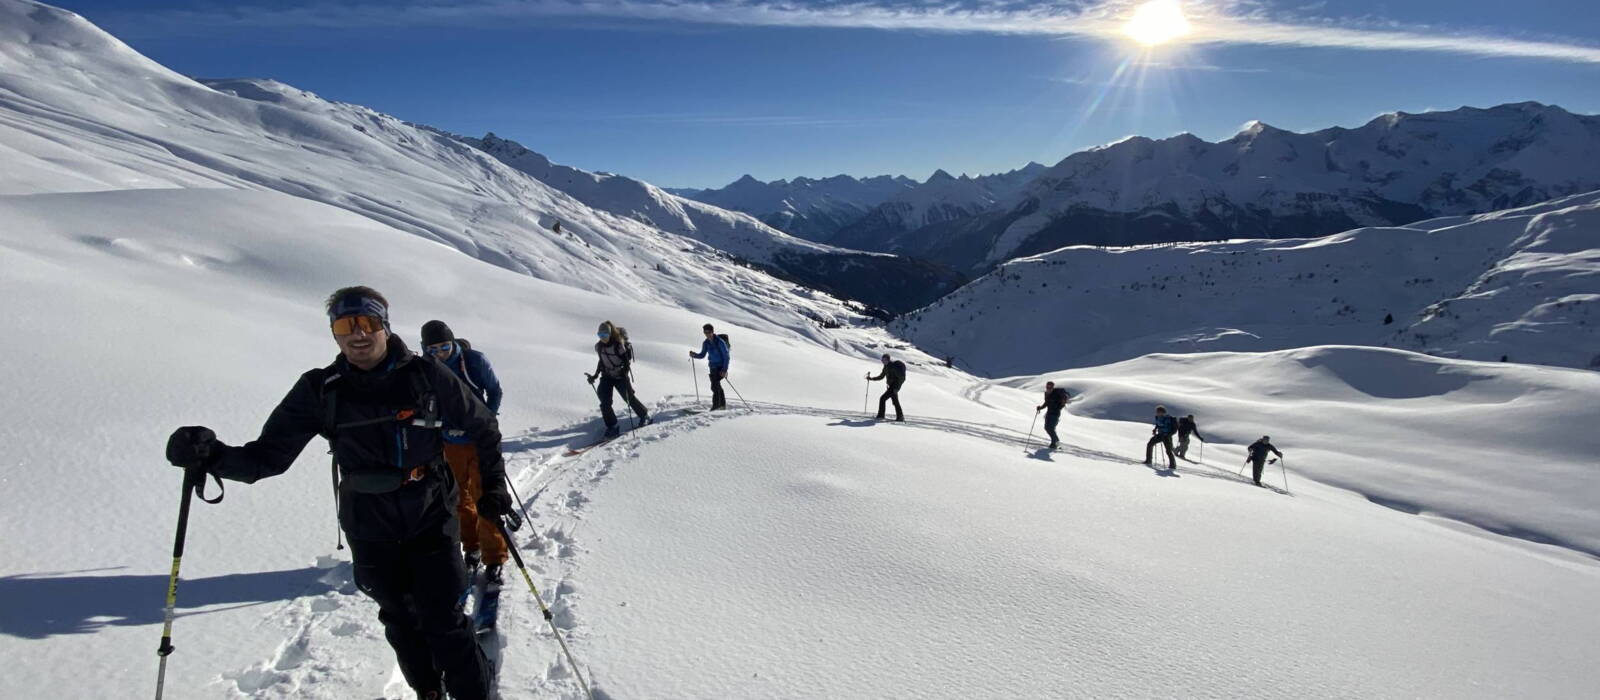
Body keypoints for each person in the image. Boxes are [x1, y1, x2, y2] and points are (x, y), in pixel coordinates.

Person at [164, 287, 507, 700]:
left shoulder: (426, 375)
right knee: (399, 619)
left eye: (368, 323)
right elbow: (267, 458)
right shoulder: (320, 389)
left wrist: (493, 488)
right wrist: (211, 456)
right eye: (346, 326)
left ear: (385, 325)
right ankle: (428, 692)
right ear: (334, 333)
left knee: (443, 618)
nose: (358, 335)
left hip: (430, 513)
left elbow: (483, 425)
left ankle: (474, 691)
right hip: (369, 525)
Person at [421, 320, 506, 583]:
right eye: (433, 349)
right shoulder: (425, 369)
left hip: (479, 440)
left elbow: (494, 390)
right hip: (448, 443)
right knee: (458, 499)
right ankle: (471, 548)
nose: (440, 353)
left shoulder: (473, 361)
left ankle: (494, 557)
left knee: (485, 497)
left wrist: (487, 421)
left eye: (445, 346)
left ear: (453, 342)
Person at [588, 320, 649, 438]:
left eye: (605, 335)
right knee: (604, 402)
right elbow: (601, 361)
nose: (602, 338)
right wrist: (595, 376)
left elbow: (626, 362)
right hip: (607, 376)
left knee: (629, 398)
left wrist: (624, 373)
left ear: (610, 334)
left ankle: (645, 416)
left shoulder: (618, 345)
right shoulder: (599, 347)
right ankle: (613, 426)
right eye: (600, 335)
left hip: (620, 376)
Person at [688, 323, 730, 410]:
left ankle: (716, 406)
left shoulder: (720, 342)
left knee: (714, 386)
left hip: (721, 367)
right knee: (717, 386)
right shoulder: (706, 343)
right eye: (705, 332)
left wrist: (725, 370)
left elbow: (726, 356)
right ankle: (722, 405)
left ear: (712, 331)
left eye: (708, 332)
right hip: (712, 367)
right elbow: (702, 355)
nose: (707, 334)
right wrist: (694, 355)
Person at [866, 353, 907, 422]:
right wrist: (872, 378)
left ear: (888, 359)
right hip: (891, 386)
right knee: (895, 402)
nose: (883, 361)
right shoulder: (886, 367)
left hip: (894, 386)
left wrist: (897, 388)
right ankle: (900, 417)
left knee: (883, 398)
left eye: (884, 359)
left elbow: (901, 378)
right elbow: (881, 376)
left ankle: (881, 415)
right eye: (882, 359)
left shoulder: (893, 366)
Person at [1035, 381, 1071, 449]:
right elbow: (1046, 403)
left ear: (1052, 387)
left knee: (1050, 428)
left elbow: (1062, 404)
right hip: (1049, 413)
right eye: (1047, 387)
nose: (1048, 388)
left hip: (1055, 414)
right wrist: (1041, 407)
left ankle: (1054, 443)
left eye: (1050, 387)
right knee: (1047, 428)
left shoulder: (1057, 394)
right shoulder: (1046, 394)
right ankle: (1056, 441)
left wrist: (1058, 408)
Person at [1144, 405, 1178, 470]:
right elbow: (1158, 425)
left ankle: (1173, 465)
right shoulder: (1157, 417)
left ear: (1163, 412)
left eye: (1158, 412)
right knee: (1150, 444)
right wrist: (1155, 429)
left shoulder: (1168, 418)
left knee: (1168, 450)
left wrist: (1169, 435)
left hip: (1166, 436)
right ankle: (1148, 460)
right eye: (1157, 412)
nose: (1157, 413)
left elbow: (1174, 429)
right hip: (1161, 435)